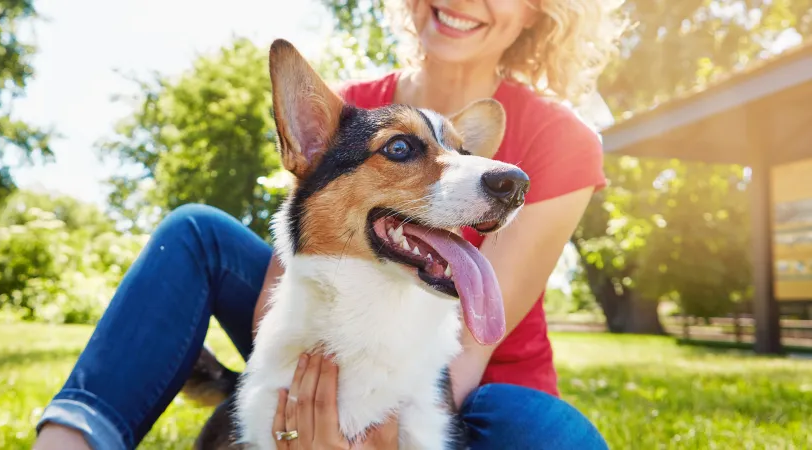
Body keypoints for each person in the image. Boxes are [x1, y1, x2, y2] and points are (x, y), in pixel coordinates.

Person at [33, 0, 626, 448]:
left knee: (556, 436)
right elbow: (283, 288)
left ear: (539, 11)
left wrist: (376, 432)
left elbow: (469, 344)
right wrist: (279, 401)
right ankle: (71, 439)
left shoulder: (560, 138)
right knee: (195, 231)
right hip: (330, 323)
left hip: (472, 371)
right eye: (401, 151)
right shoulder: (349, 108)